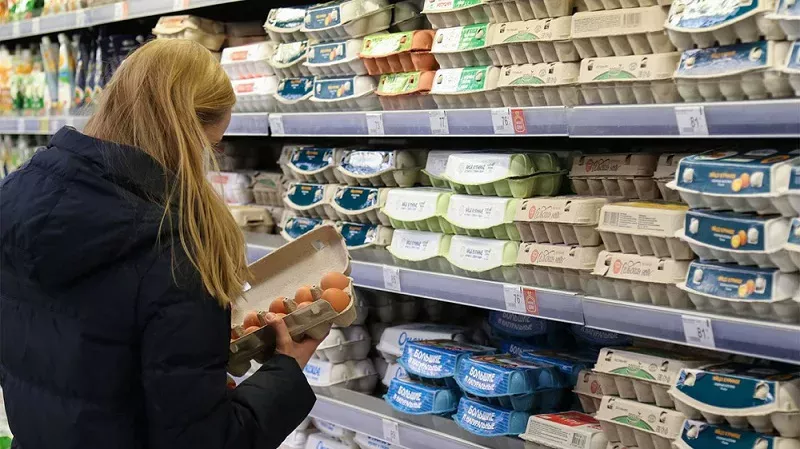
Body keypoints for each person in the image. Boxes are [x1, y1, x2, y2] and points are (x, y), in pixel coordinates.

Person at [0, 39, 322, 449]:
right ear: (188, 136)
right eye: (210, 145)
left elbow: (74, 357)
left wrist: (192, 367)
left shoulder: (13, 197)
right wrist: (287, 370)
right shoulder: (176, 251)